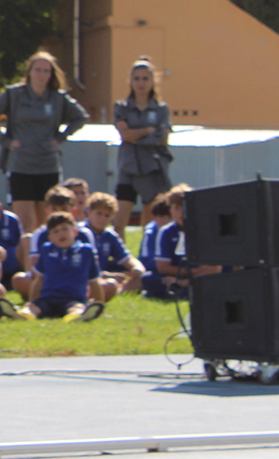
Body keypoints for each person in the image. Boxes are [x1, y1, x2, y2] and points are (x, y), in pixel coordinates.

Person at [0, 51, 89, 232]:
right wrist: (4, 140)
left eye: (46, 71)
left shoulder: (58, 98)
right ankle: (26, 258)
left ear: (52, 74)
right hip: (21, 163)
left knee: (47, 220)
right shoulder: (14, 94)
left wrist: (61, 137)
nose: (42, 74)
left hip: (48, 164)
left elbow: (81, 117)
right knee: (25, 221)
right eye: (38, 70)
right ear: (29, 72)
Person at [112, 58, 172, 232]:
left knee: (150, 223)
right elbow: (124, 135)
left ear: (153, 81)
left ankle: (146, 257)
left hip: (152, 168)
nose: (141, 83)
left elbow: (163, 139)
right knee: (119, 221)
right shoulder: (121, 107)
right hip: (128, 167)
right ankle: (119, 258)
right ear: (130, 81)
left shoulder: (161, 109)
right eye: (137, 78)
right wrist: (147, 130)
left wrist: (135, 134)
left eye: (145, 78)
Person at [19, 212, 107, 319]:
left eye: (65, 229)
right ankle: (24, 314)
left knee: (77, 308)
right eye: (55, 231)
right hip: (48, 299)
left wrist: (99, 306)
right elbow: (39, 280)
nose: (61, 234)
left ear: (75, 231)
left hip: (73, 299)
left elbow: (94, 282)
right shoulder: (46, 250)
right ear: (50, 238)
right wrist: (32, 301)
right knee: (33, 307)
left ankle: (76, 316)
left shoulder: (86, 252)